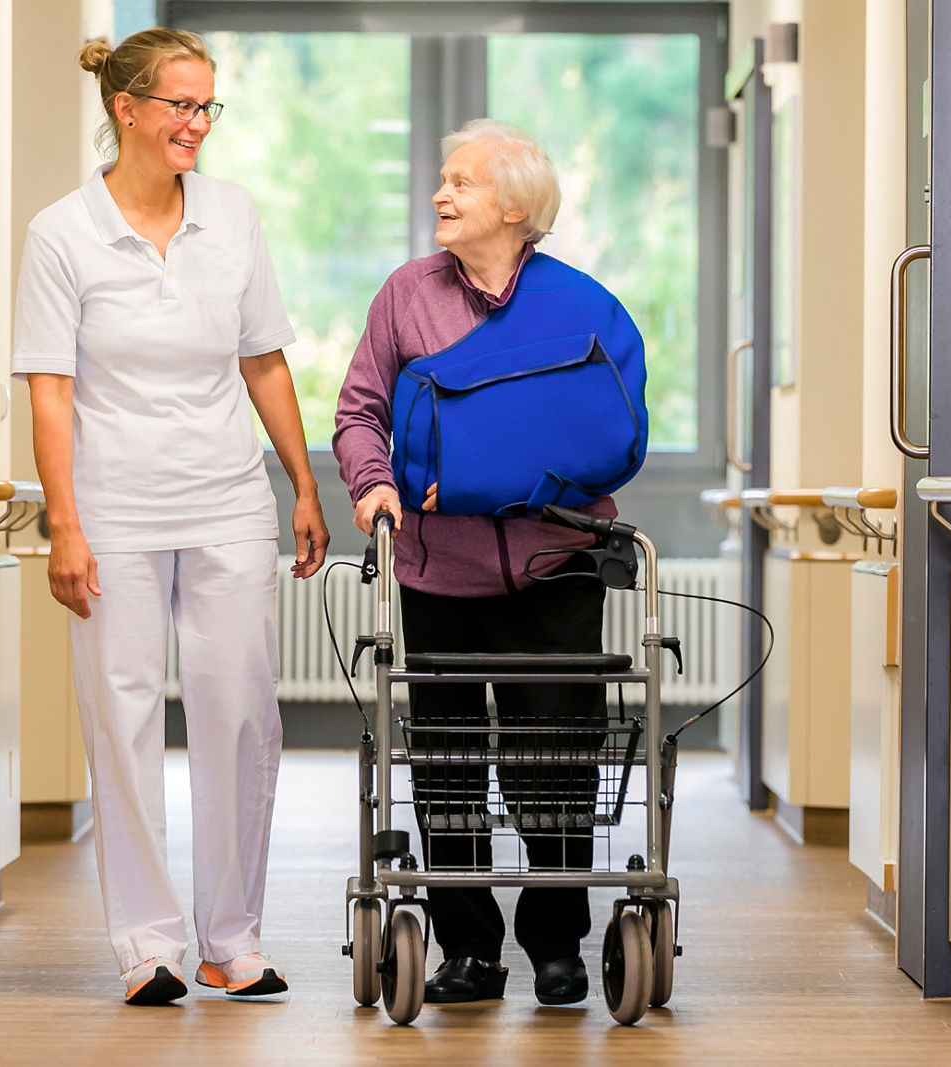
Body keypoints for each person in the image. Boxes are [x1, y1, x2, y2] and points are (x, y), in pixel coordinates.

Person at [12, 28, 328, 1007]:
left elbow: (264, 359)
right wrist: (64, 523)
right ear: (128, 110)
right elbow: (51, 391)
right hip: (112, 501)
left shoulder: (233, 216)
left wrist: (301, 482)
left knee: (239, 710)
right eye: (181, 106)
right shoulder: (62, 232)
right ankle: (147, 945)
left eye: (207, 107)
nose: (197, 124)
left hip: (229, 494)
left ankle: (232, 940)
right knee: (124, 712)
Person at [334, 119, 642, 1007]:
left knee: (557, 756)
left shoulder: (582, 305)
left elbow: (610, 431)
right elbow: (359, 412)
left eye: (461, 182)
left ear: (514, 207)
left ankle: (557, 943)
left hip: (557, 564)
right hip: (439, 569)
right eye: (442, 178)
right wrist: (372, 483)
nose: (441, 194)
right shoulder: (407, 295)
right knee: (447, 760)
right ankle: (468, 947)